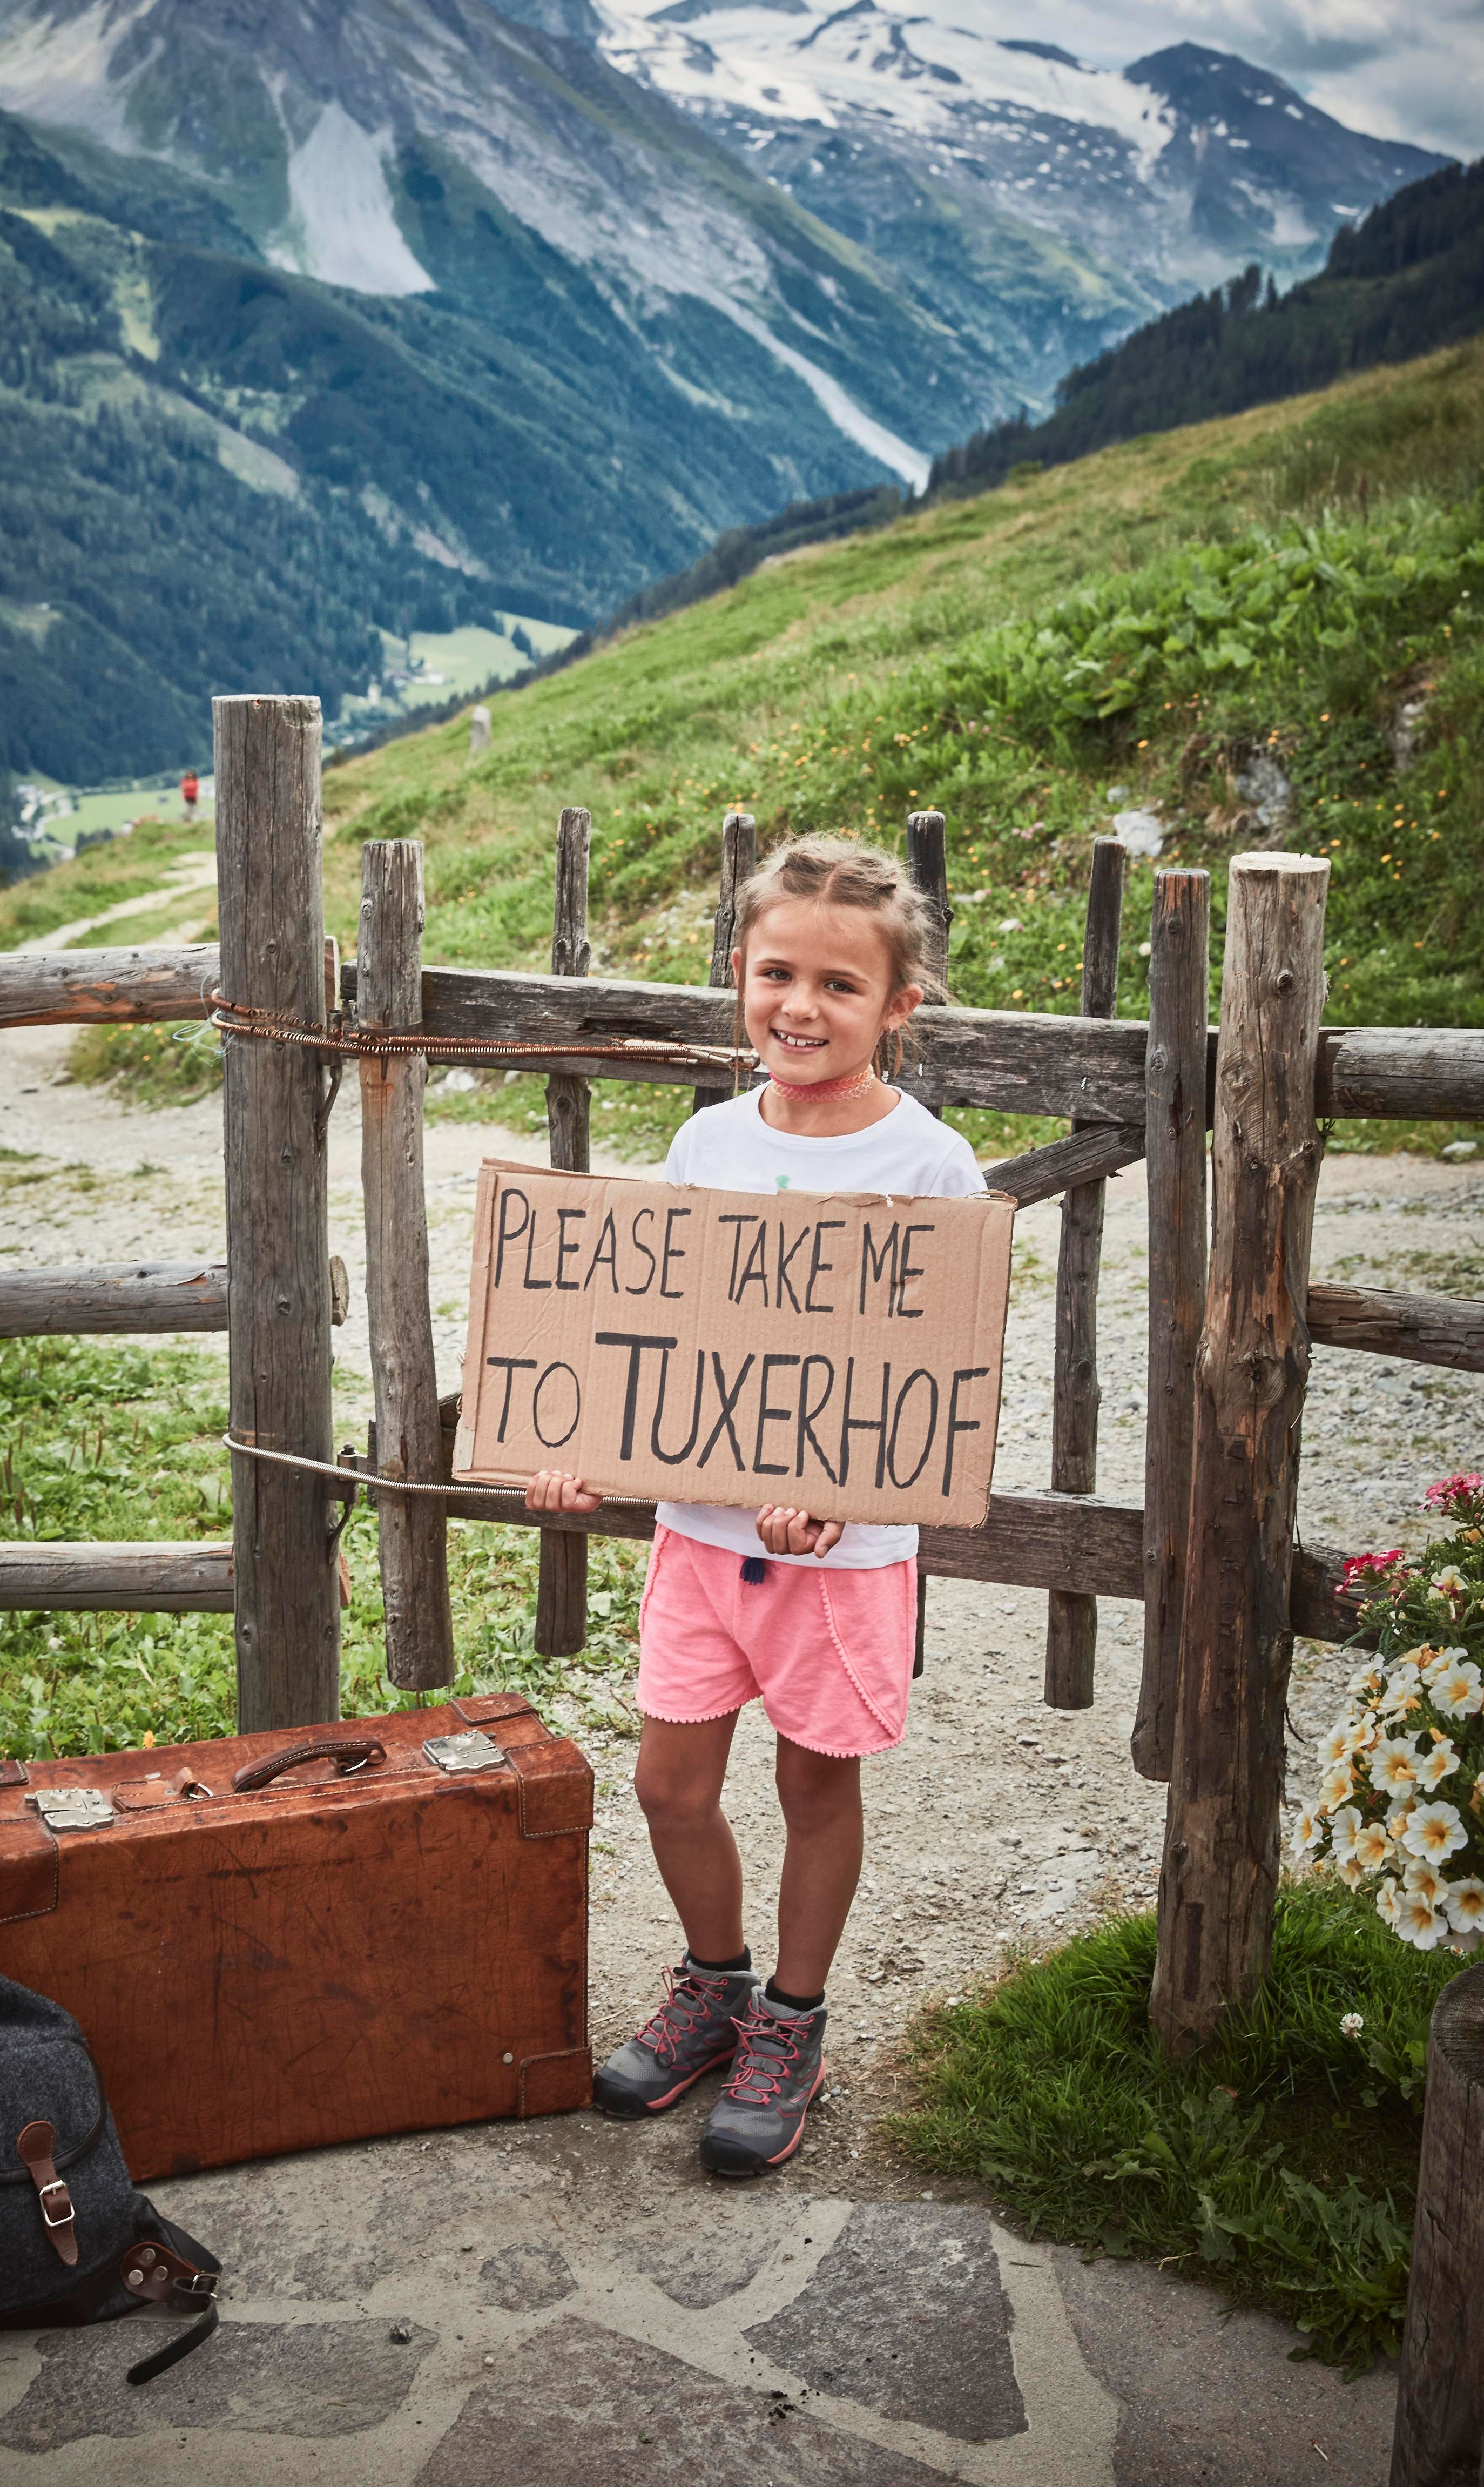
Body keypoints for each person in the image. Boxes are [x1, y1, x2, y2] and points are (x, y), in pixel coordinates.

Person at [525, 835, 986, 2175]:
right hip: (698, 1536)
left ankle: (792, 2016)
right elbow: (659, 1333)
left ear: (897, 1005)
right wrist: (583, 1445)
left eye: (838, 985)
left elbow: (931, 1376)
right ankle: (712, 1986)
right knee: (669, 1781)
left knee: (808, 1779)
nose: (799, 1006)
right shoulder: (705, 1141)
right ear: (740, 972)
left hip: (838, 1564)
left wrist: (840, 1488)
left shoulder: (929, 1166)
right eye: (775, 971)